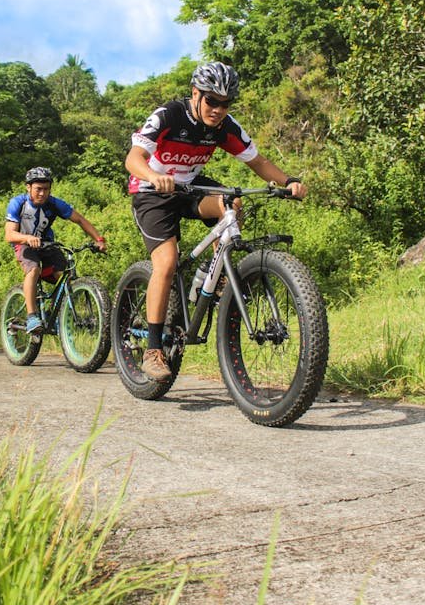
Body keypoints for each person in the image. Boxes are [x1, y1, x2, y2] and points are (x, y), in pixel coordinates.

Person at [125, 61, 307, 382]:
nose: (218, 109)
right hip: (152, 190)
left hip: (191, 187)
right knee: (166, 263)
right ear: (195, 94)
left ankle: (213, 273)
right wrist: (155, 175)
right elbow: (133, 158)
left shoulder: (225, 126)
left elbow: (258, 161)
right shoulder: (169, 115)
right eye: (211, 100)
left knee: (231, 203)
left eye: (226, 103)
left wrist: (288, 181)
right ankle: (153, 349)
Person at [5, 167, 107, 334]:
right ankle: (31, 316)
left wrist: (99, 239)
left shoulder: (53, 204)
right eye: (38, 189)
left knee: (64, 275)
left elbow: (80, 219)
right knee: (34, 269)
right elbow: (9, 234)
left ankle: (56, 313)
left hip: (46, 244)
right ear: (28, 187)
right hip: (23, 243)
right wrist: (27, 238)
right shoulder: (18, 203)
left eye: (46, 189)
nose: (42, 193)